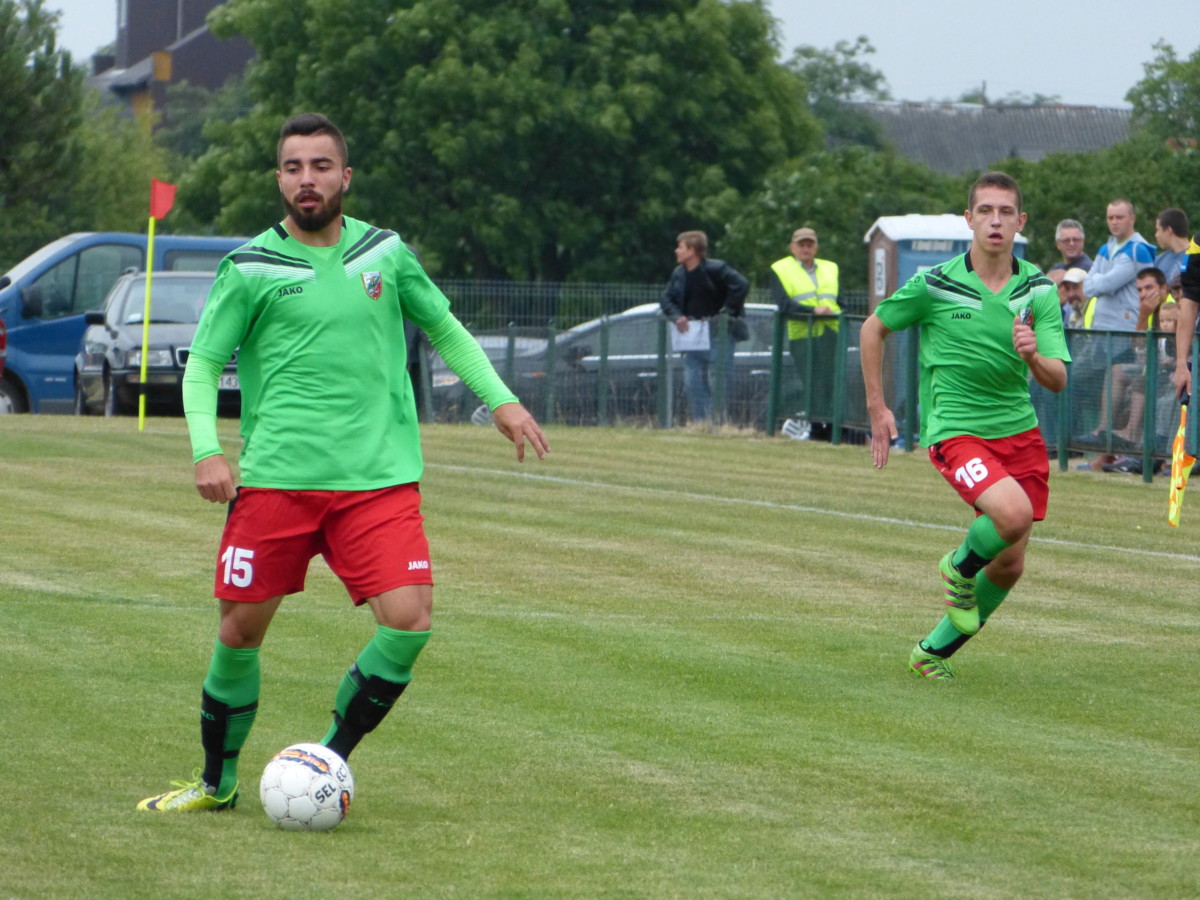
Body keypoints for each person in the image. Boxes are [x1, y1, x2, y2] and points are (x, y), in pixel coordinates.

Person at [137, 113, 549, 813]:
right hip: (277, 481)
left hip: (377, 482)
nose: (308, 180)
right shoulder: (250, 266)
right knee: (239, 633)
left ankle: (325, 760)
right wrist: (207, 449)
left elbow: (443, 326)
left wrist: (501, 400)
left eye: (321, 166)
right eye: (294, 167)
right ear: (279, 179)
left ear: (345, 177)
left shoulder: (385, 253)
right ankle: (215, 783)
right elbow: (203, 364)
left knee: (409, 621)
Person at [860, 171, 1070, 680]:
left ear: (1020, 222)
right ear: (969, 219)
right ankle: (957, 567)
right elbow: (873, 328)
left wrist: (1033, 356)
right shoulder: (937, 283)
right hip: (957, 430)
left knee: (1010, 563)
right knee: (1013, 514)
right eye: (985, 211)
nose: (995, 221)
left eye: (1005, 212)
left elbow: (1058, 379)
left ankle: (930, 654)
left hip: (1019, 432)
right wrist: (877, 408)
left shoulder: (1039, 289)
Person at [659, 230, 750, 423]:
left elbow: (741, 285)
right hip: (693, 335)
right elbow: (666, 299)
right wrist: (677, 317)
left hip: (719, 333)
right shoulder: (679, 274)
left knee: (719, 381)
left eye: (680, 247)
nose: (676, 251)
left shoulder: (716, 269)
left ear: (692, 250)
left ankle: (718, 422)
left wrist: (726, 312)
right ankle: (702, 422)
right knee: (692, 381)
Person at [770, 227, 840, 440]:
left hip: (830, 333)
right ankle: (818, 429)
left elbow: (840, 300)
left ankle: (834, 429)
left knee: (831, 383)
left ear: (816, 247)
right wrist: (813, 311)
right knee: (813, 383)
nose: (805, 249)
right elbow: (784, 305)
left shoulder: (830, 268)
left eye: (810, 245)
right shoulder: (780, 269)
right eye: (801, 245)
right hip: (803, 336)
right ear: (792, 247)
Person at [1154, 208, 1190, 288]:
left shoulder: (1195, 257)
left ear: (1168, 230)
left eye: (1158, 230)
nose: (1156, 235)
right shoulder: (1159, 261)